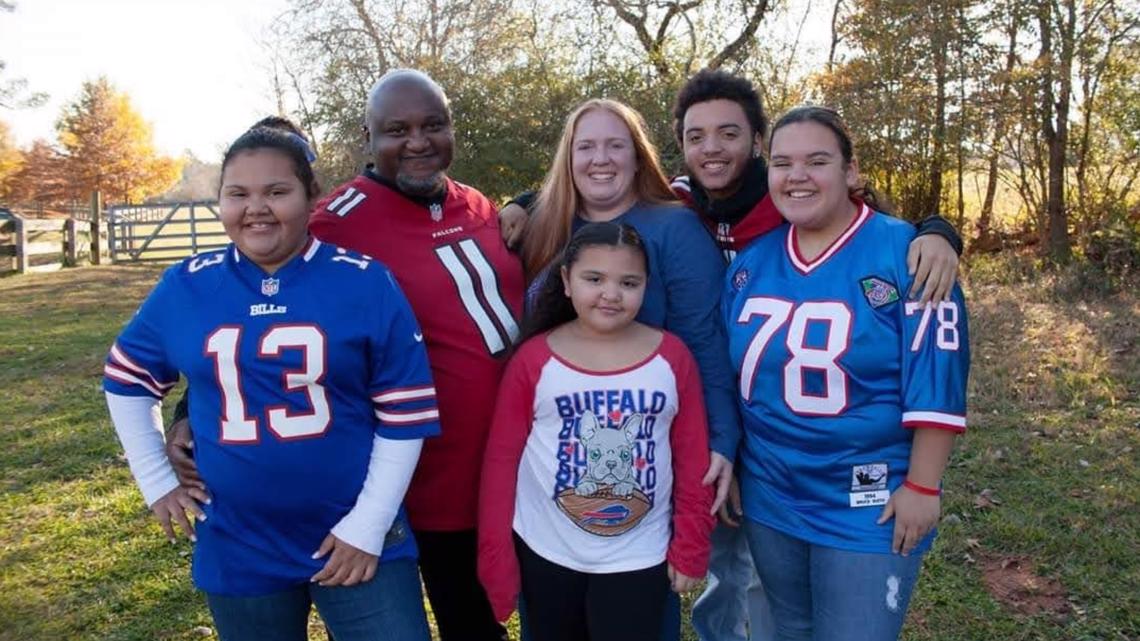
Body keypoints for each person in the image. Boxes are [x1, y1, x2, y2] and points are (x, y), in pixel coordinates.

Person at [498, 71, 963, 641]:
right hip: (766, 479)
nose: (712, 148)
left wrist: (938, 230)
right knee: (774, 614)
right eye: (697, 136)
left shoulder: (870, 239)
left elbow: (711, 347)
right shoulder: (719, 235)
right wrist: (522, 202)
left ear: (757, 144)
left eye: (815, 161)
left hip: (856, 482)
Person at [165, 71, 524, 641]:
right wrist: (188, 409)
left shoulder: (476, 203)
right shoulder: (334, 222)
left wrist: (525, 203)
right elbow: (245, 312)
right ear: (368, 138)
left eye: (434, 125)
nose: (418, 142)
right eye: (396, 130)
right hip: (421, 474)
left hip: (504, 459)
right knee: (469, 621)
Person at [104, 126, 438, 641]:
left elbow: (405, 414)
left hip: (356, 534)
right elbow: (127, 380)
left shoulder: (365, 281)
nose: (255, 208)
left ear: (311, 197)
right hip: (240, 541)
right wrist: (156, 480)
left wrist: (368, 525)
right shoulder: (188, 285)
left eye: (276, 191)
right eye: (238, 193)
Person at [723, 105, 969, 641]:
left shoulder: (908, 255)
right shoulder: (749, 264)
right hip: (771, 487)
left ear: (851, 172)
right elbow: (734, 378)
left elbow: (938, 382)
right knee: (791, 627)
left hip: (868, 494)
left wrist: (924, 485)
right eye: (783, 163)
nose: (798, 175)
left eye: (817, 161)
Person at [507, 97, 736, 639]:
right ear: (568, 158)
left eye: (616, 145)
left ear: (638, 157)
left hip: (638, 471)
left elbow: (704, 343)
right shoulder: (544, 225)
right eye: (585, 146)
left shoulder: (674, 229)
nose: (600, 159)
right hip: (551, 478)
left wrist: (722, 441)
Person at [478, 222, 716, 641]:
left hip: (639, 558)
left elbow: (692, 458)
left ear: (646, 286)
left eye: (628, 282)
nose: (611, 293)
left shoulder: (672, 360)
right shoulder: (534, 361)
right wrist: (495, 559)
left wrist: (691, 543)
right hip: (547, 554)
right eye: (594, 279)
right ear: (567, 281)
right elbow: (501, 464)